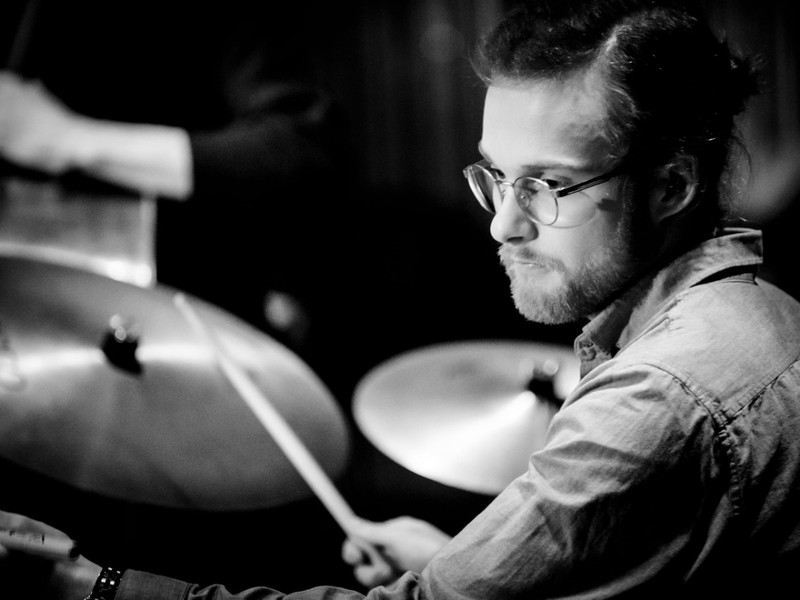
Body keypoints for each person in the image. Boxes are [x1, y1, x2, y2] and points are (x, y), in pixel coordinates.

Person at [3, 0, 800, 598]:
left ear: (672, 185)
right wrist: (460, 561)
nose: (503, 225)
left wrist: (94, 586)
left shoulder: (655, 401)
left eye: (547, 185)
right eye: (495, 176)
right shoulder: (768, 316)